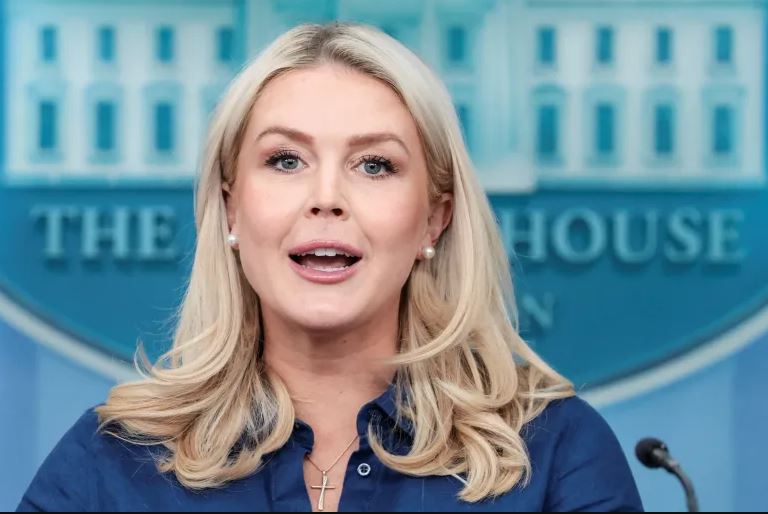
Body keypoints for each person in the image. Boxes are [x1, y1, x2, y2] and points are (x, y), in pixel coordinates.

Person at [16, 22, 643, 512]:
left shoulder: (554, 454)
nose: (326, 197)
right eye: (286, 160)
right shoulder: (110, 463)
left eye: (374, 165)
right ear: (231, 210)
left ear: (434, 219)